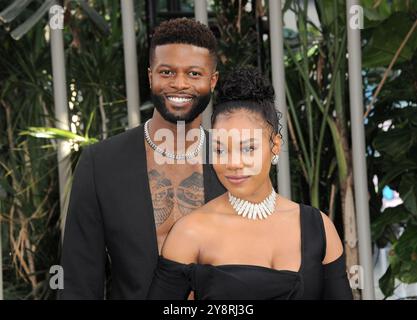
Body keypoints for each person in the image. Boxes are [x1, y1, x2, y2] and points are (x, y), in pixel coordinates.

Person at [147, 67, 353, 300]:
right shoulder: (190, 233)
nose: (233, 163)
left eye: (248, 148)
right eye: (220, 149)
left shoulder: (319, 228)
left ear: (275, 145)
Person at [59, 18, 226, 299]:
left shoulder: (236, 162)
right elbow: (79, 282)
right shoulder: (101, 164)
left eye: (194, 74)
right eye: (167, 72)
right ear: (151, 76)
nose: (180, 84)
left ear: (213, 80)